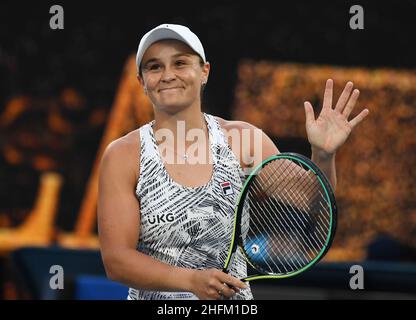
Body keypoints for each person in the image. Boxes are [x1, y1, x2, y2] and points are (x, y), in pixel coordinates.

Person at [97, 23, 369, 300]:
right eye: (154, 67)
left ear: (204, 72)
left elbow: (312, 199)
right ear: (142, 81)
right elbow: (117, 261)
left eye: (180, 63)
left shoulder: (242, 140)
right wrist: (190, 280)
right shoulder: (123, 155)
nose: (168, 75)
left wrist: (323, 154)